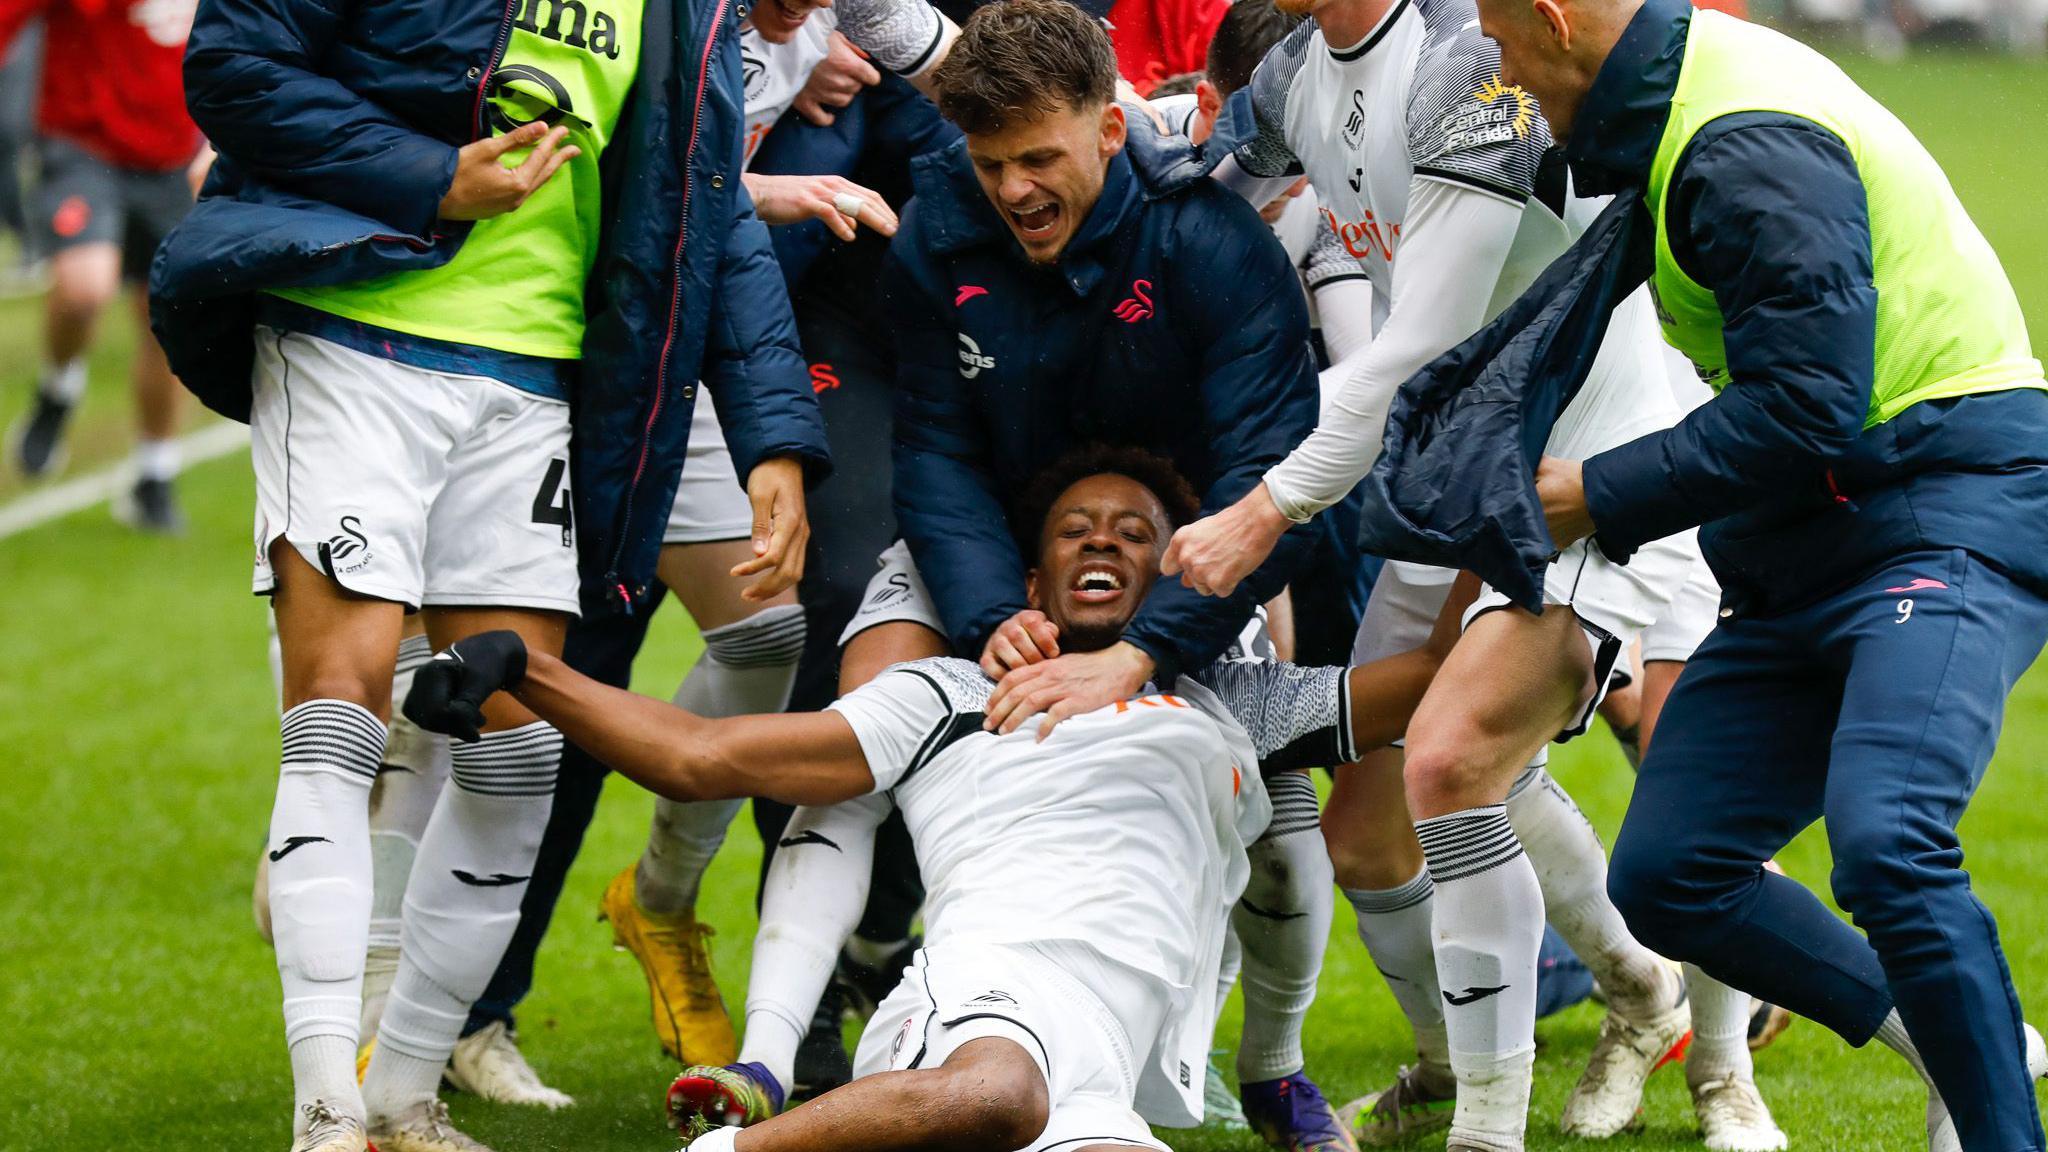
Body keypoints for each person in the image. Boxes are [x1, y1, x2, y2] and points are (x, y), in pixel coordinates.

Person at [152, 0, 832, 1144]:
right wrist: (430, 177)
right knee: (341, 704)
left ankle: (405, 1093)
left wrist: (772, 436)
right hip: (348, 332)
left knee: (513, 740)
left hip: (534, 377)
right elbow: (235, 64)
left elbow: (705, 203)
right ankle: (326, 1112)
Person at [401, 449, 1467, 1152]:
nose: (1101, 539)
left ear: (1176, 579)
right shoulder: (948, 695)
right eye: (1073, 528)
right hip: (976, 1005)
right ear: (1033, 581)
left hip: (1109, 1056)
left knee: (1030, 1110)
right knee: (994, 1096)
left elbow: (1437, 678)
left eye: (1134, 532)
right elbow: (701, 754)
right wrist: (523, 669)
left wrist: (1542, 581)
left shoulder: (1233, 702)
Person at [1458, 0, 2048, 1147]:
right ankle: (1956, 1032)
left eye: (1495, 31)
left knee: (1887, 841)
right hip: (1804, 537)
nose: (1492, 61)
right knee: (1673, 873)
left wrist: (1596, 493)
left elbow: (1809, 404)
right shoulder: (1661, 107)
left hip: (1942, 508)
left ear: (1551, 19)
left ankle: (1994, 1126)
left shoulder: (1735, 137)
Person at [1157, 0, 1715, 1148]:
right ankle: (1607, 998)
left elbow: (1418, 344)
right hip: (1448, 462)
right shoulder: (1289, 78)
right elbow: (1194, 180)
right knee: (1368, 824)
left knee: (1467, 760)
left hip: (1580, 464)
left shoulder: (1476, 64)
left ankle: (1541, 1113)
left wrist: (1260, 509)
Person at [1, 0, 208, 531]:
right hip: (83, 148)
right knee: (84, 287)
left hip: (175, 158)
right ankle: (60, 387)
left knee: (168, 317)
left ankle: (153, 475)